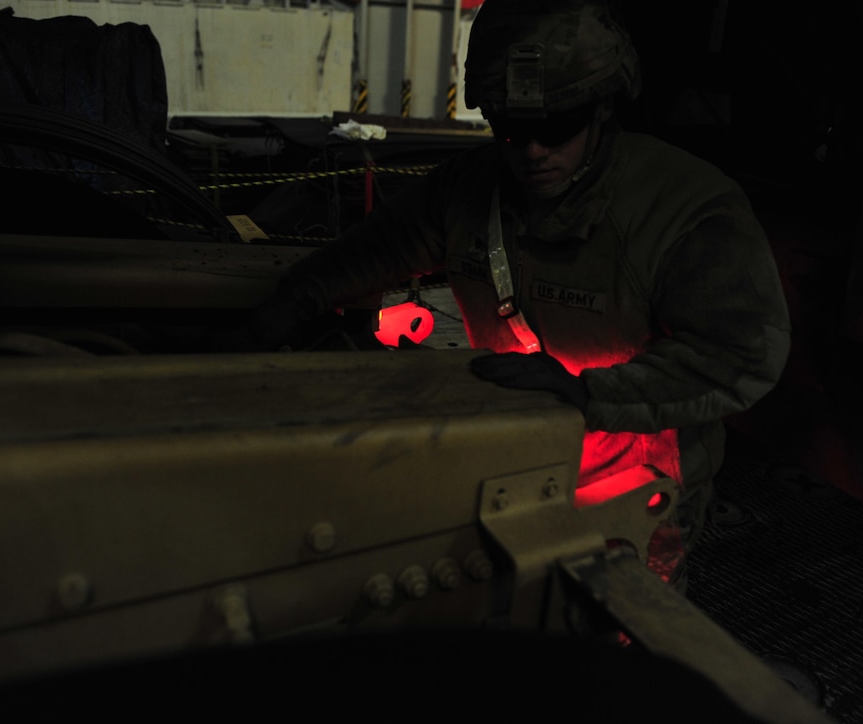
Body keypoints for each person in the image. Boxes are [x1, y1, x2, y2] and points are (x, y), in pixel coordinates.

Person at [252, 0, 790, 589]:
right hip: (510, 465)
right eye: (510, 129)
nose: (532, 151)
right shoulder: (470, 188)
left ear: (603, 108)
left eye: (556, 128)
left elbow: (742, 356)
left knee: (614, 635)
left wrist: (592, 393)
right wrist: (295, 298)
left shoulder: (685, 210)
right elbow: (377, 249)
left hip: (634, 486)